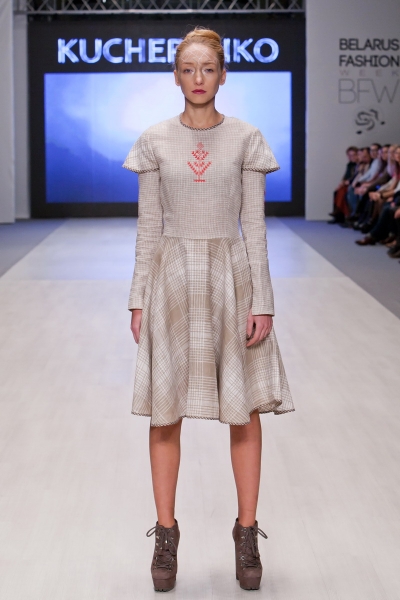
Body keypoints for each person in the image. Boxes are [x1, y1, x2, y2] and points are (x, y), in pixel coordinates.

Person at [122, 26, 295, 593]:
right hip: (171, 278)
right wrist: (138, 298)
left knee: (243, 411)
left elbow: (255, 228)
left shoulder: (246, 138)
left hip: (231, 278)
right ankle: (166, 535)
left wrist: (263, 300)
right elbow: (149, 228)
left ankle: (246, 532)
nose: (198, 78)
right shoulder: (154, 140)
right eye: (188, 68)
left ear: (223, 75)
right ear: (175, 76)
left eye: (208, 68)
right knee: (165, 409)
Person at [327, 146, 358, 224]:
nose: (351, 157)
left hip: (353, 184)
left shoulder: (358, 165)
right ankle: (338, 216)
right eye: (349, 155)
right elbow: (345, 175)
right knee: (337, 191)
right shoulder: (349, 165)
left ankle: (339, 212)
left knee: (343, 193)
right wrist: (341, 182)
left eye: (353, 155)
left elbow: (355, 177)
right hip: (347, 183)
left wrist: (346, 182)